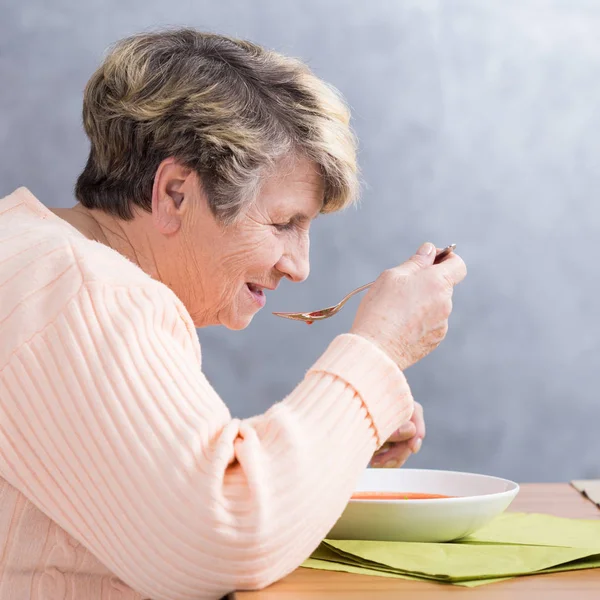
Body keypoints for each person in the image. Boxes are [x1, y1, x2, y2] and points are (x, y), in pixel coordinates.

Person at [0, 29, 466, 600]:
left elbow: (146, 486)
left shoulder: (27, 255)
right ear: (174, 192)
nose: (300, 267)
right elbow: (227, 537)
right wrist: (377, 354)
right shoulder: (92, 296)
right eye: (284, 223)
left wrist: (337, 441)